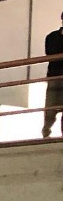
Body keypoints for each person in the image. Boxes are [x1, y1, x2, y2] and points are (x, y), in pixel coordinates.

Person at [43, 9, 63, 138]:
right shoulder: (52, 37)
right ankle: (46, 132)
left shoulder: (52, 37)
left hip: (55, 74)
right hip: (55, 76)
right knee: (50, 108)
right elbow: (51, 54)